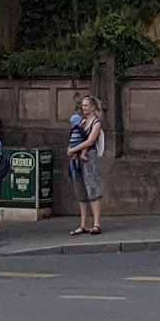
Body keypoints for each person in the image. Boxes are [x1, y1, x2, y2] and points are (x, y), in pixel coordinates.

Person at [67, 93, 107, 237]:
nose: (83, 107)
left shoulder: (96, 123)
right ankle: (83, 224)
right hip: (76, 159)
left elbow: (90, 141)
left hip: (89, 157)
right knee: (81, 191)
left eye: (85, 105)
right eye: (82, 105)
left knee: (93, 189)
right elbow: (74, 137)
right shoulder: (82, 122)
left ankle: (96, 224)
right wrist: (71, 149)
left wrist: (73, 149)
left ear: (92, 107)